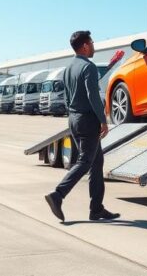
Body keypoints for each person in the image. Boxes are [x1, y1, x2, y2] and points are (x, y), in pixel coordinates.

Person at [44, 30, 120, 222]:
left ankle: (96, 209)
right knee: (85, 161)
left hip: (74, 119)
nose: (94, 46)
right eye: (92, 43)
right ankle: (58, 195)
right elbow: (92, 95)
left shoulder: (68, 69)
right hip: (87, 121)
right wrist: (103, 120)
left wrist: (74, 116)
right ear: (85, 46)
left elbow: (67, 97)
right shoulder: (88, 67)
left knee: (96, 162)